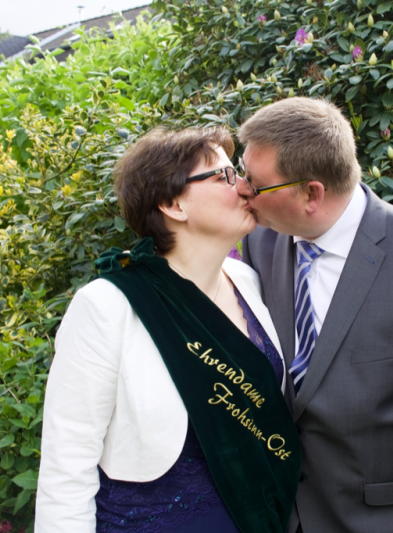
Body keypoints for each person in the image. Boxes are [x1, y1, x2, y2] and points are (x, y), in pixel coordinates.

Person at [236, 97, 393, 533]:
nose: (242, 191)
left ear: (312, 193)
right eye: (243, 173)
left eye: (256, 185)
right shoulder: (262, 243)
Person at [35, 127, 301, 533]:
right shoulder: (108, 306)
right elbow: (66, 469)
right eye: (225, 176)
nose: (247, 187)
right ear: (173, 204)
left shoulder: (247, 282)